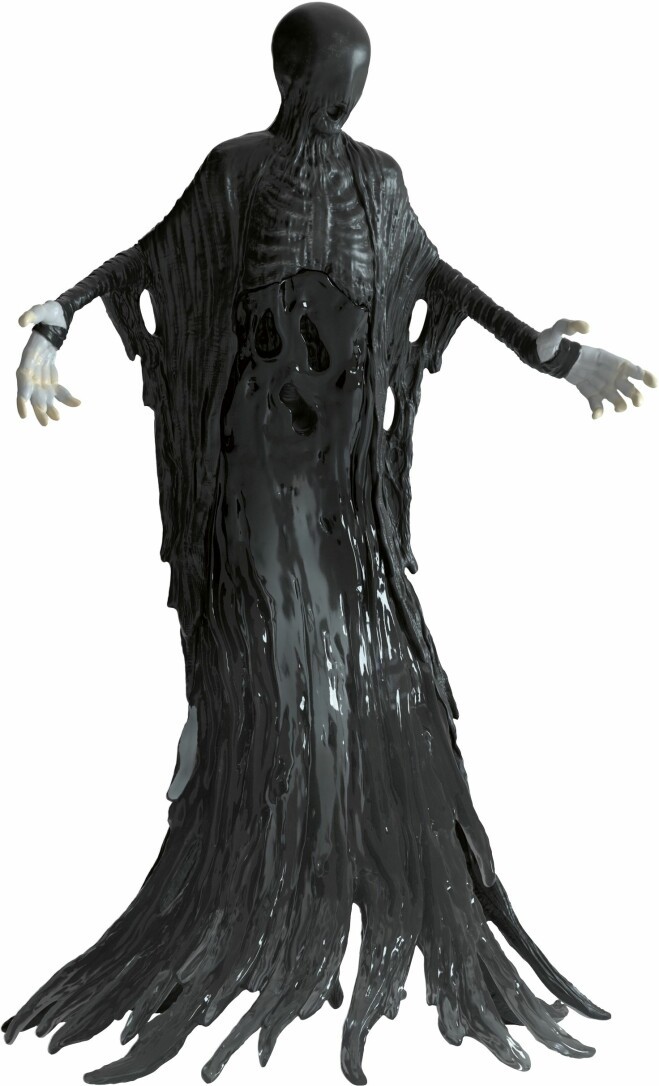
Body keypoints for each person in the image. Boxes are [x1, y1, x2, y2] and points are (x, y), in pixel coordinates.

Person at [6, 4, 655, 1084]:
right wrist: (53, 319)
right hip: (253, 468)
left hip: (344, 480)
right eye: (337, 72)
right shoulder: (235, 172)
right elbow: (147, 259)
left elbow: (433, 277)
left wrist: (543, 353)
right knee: (264, 672)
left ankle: (358, 876)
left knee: (392, 678)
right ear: (298, 74)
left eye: (357, 73)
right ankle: (239, 885)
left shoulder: (379, 181)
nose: (347, 92)